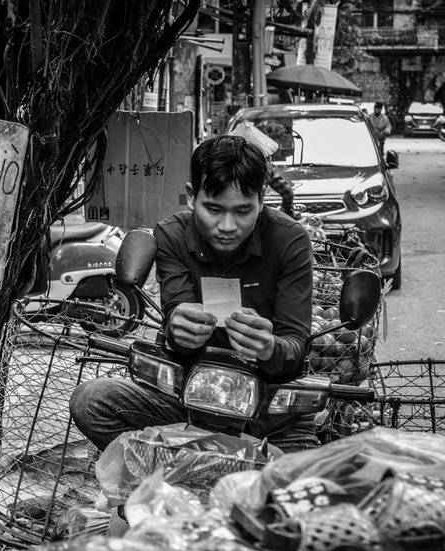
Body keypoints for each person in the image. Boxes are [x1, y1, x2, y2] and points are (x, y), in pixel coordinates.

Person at [70, 135, 316, 453]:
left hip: (270, 415)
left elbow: (296, 346)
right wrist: (179, 331)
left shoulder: (290, 239)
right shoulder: (172, 235)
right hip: (188, 403)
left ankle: (187, 467)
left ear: (262, 198)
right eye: (213, 209)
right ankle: (180, 470)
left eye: (243, 211)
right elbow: (175, 318)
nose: (227, 226)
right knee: (90, 401)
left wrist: (269, 347)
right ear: (191, 197)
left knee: (308, 485)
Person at [228, 120, 296, 218]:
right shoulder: (266, 168)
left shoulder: (224, 168)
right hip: (256, 216)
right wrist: (287, 210)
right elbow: (287, 193)